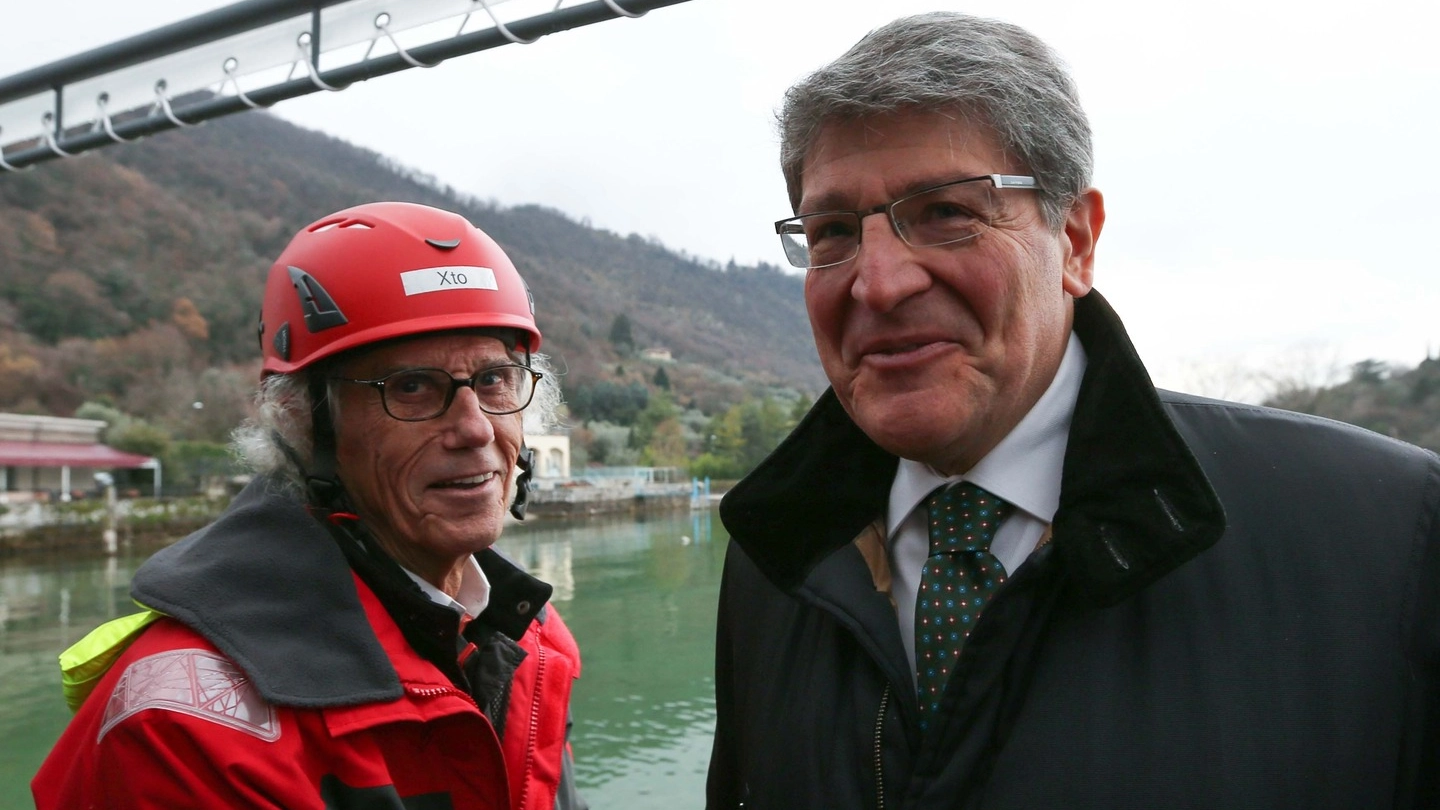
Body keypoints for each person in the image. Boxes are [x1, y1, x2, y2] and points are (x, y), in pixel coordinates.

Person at [707, 12, 1439, 809]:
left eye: (947, 212)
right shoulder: (771, 561)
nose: (878, 283)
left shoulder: (1389, 537)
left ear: (1077, 240)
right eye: (832, 230)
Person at [34, 201, 587, 810]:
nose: (475, 429)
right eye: (410, 387)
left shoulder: (527, 637)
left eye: (494, 380)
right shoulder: (187, 726)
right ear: (306, 421)